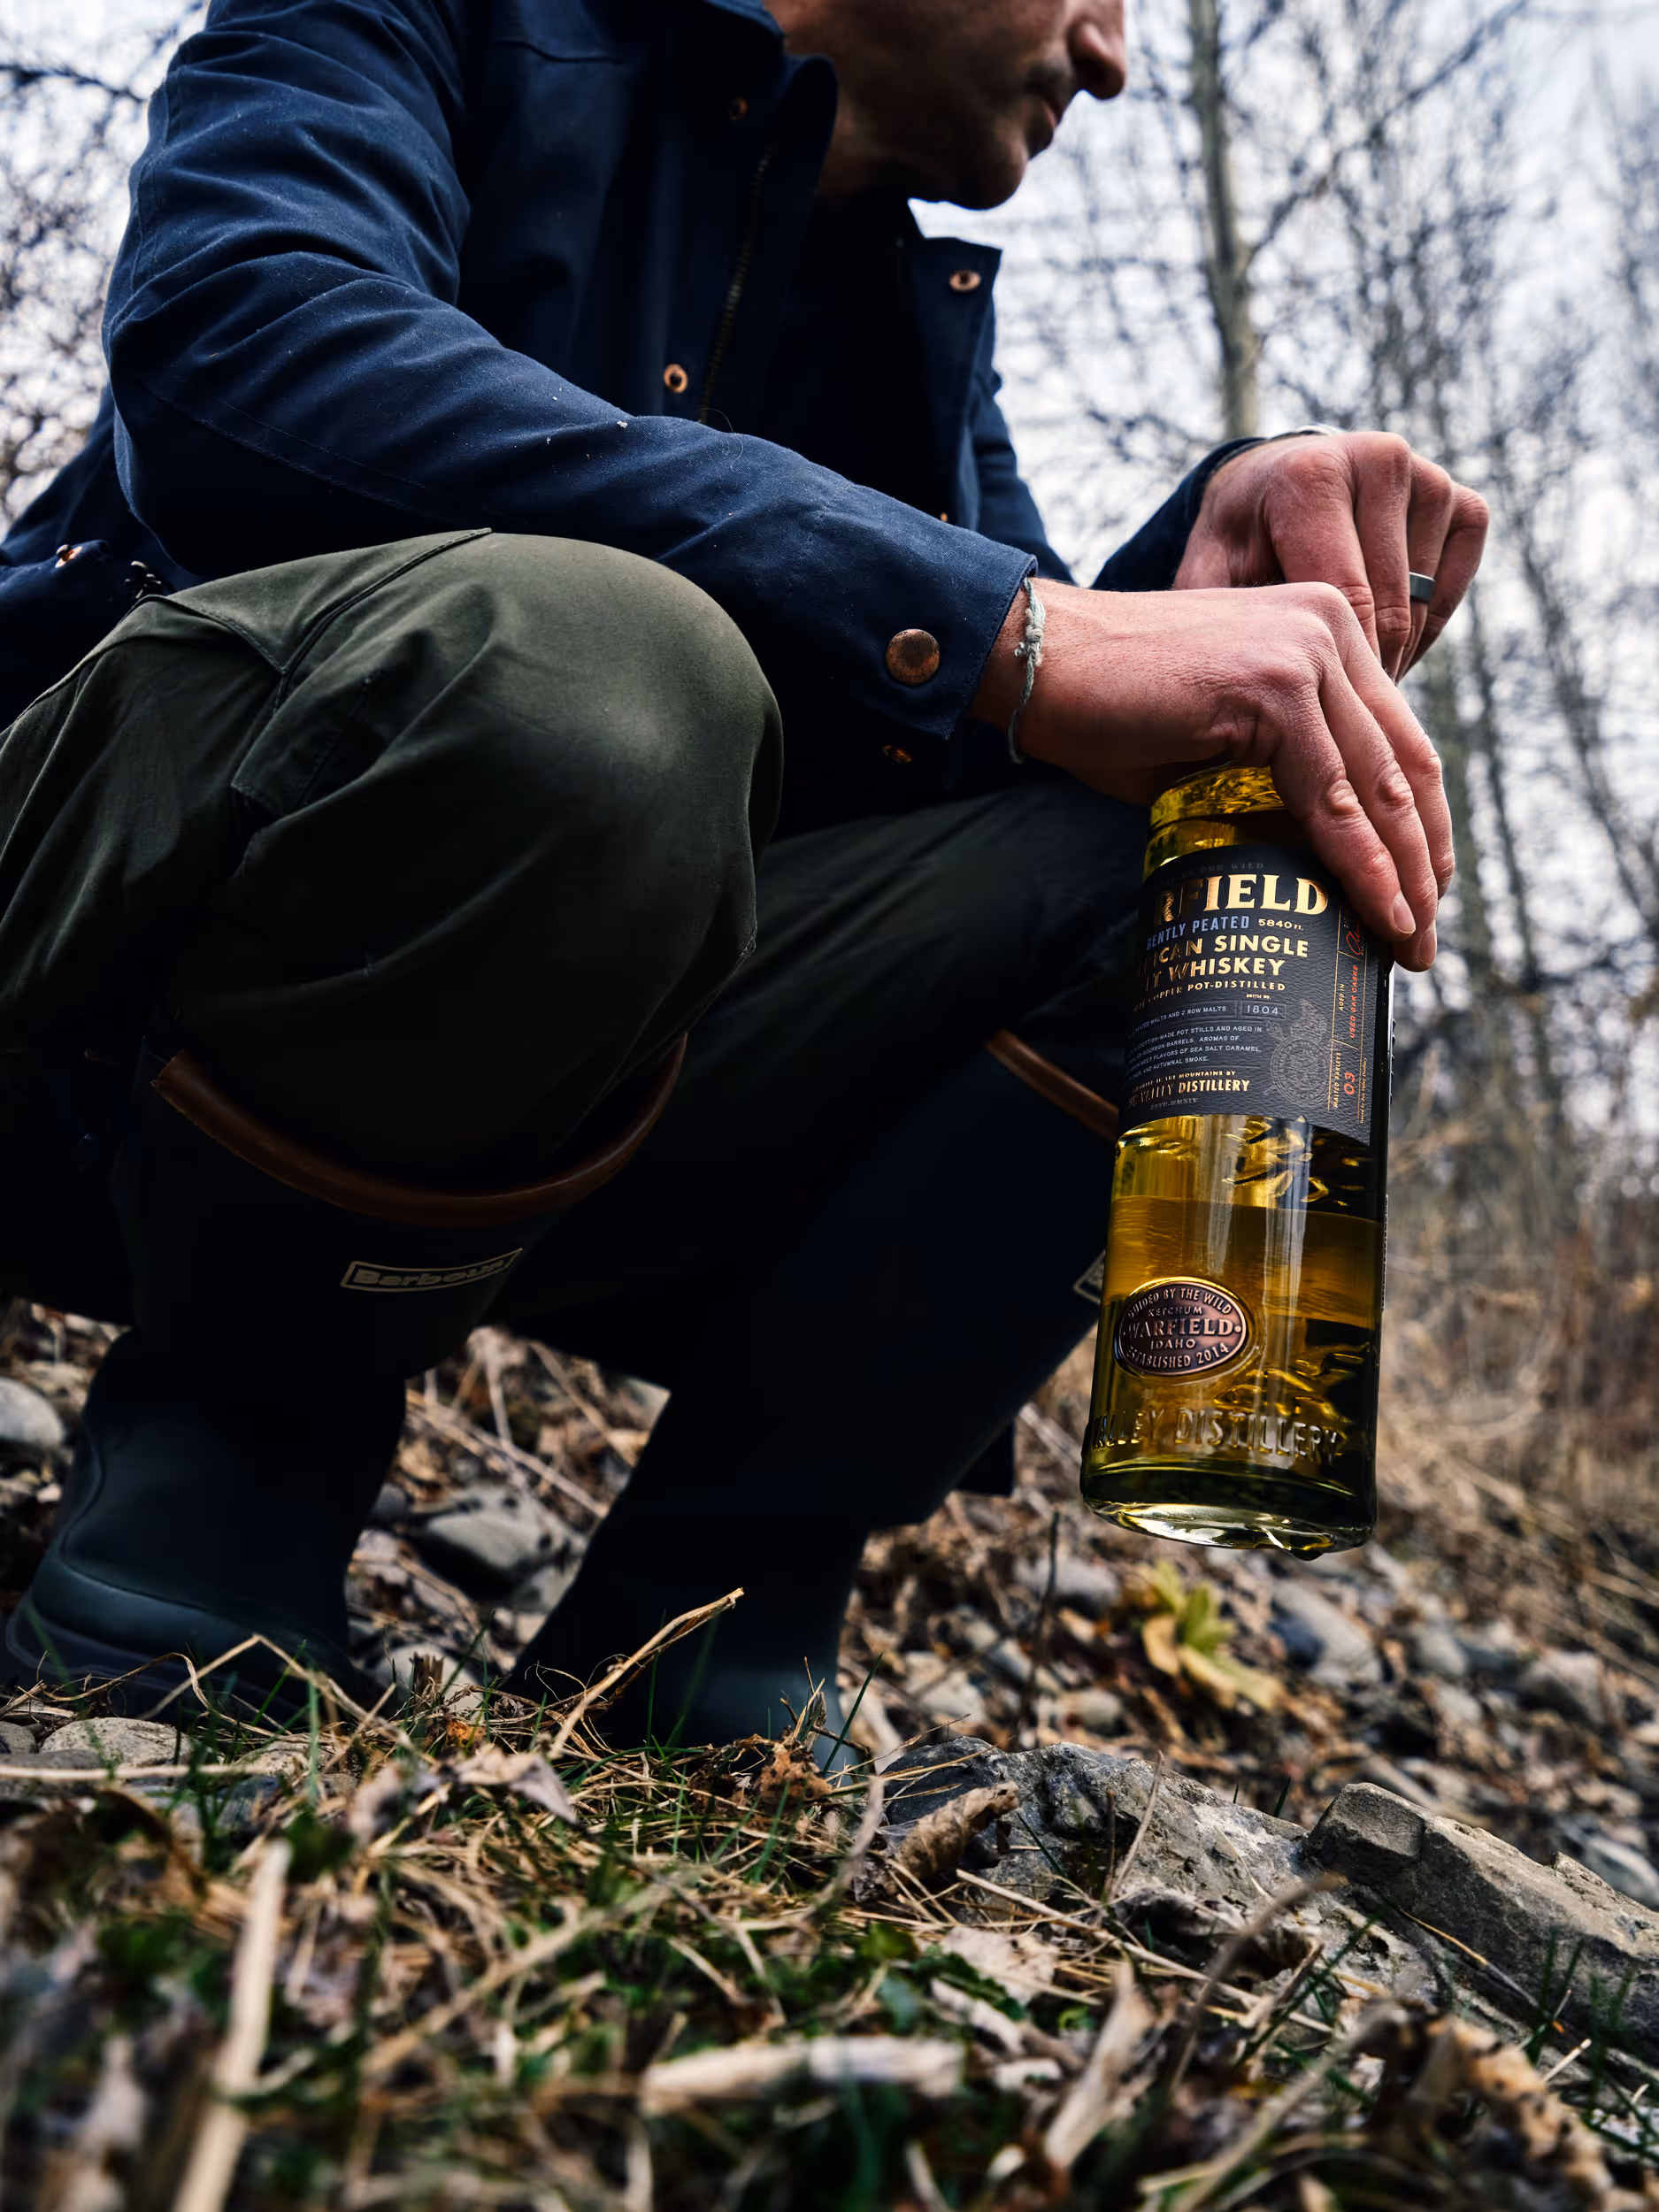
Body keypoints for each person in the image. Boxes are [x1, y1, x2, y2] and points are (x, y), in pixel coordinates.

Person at [0, 0, 1486, 1749]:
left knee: (1220, 840)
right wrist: (1011, 631)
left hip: (536, 1095)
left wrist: (1188, 573)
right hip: (89, 980)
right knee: (603, 670)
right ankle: (221, 1473)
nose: (1110, 56)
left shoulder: (890, 309)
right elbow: (247, 348)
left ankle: (712, 1612)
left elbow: (998, 777)